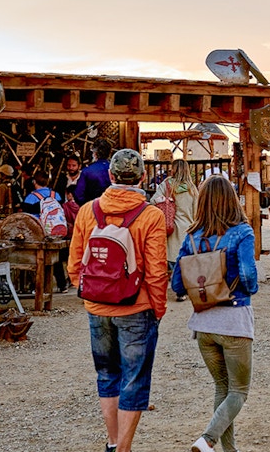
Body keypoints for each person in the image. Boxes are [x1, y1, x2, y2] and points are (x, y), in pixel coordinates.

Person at [68, 149, 167, 452]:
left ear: (110, 176)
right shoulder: (150, 215)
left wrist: (93, 291)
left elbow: (74, 264)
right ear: (142, 177)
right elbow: (156, 270)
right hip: (136, 307)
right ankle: (124, 448)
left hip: (97, 307)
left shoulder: (88, 211)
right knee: (134, 379)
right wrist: (158, 308)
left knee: (107, 374)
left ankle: (112, 442)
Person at [165, 175, 257, 452]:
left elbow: (178, 284)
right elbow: (247, 276)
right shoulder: (242, 232)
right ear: (232, 199)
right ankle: (207, 439)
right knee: (239, 390)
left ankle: (230, 451)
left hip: (204, 323)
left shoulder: (192, 237)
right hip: (234, 319)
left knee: (222, 388)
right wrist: (248, 287)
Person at [150, 159, 197, 280]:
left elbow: (153, 201)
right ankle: (184, 285)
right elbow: (197, 212)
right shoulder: (192, 189)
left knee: (173, 260)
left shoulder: (166, 185)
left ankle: (178, 286)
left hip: (171, 228)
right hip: (188, 228)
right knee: (186, 259)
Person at [23, 172, 70, 292]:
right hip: (54, 230)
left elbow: (26, 215)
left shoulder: (31, 197)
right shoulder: (56, 195)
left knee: (39, 259)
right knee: (55, 257)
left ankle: (37, 286)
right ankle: (62, 284)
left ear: (34, 182)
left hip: (39, 230)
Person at [75, 138, 114, 205]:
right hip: (113, 208)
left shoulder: (87, 171)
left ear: (95, 153)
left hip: (93, 208)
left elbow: (79, 195)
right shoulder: (115, 169)